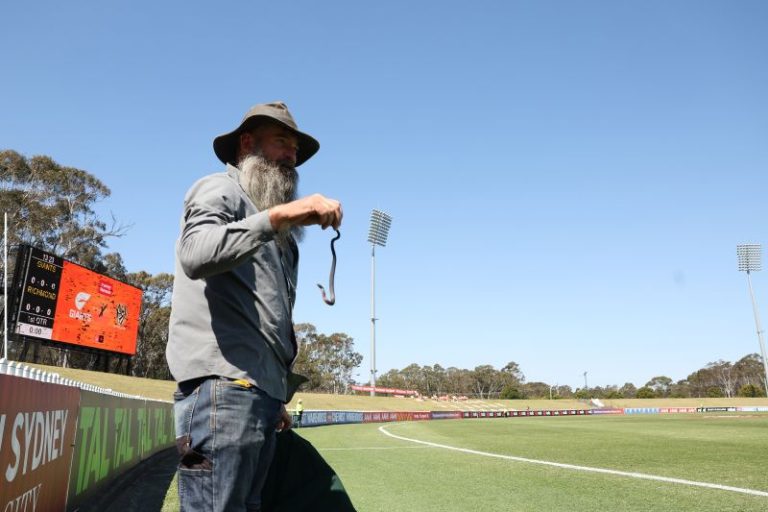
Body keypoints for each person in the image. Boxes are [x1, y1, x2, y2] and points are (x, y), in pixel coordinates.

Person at [167, 101, 343, 511]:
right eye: (282, 142)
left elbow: (268, 319)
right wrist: (280, 216)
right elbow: (194, 254)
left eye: (295, 151)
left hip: (258, 397)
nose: (291, 157)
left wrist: (276, 393)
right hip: (222, 392)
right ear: (247, 143)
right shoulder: (220, 188)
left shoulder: (278, 236)